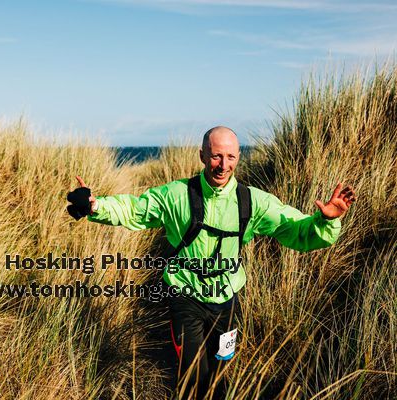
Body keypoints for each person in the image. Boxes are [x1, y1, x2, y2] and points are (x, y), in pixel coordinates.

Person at [66, 126, 356, 399]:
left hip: (227, 301)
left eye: (230, 156)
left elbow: (297, 231)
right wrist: (96, 206)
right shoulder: (176, 195)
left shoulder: (252, 201)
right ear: (202, 155)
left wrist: (327, 220)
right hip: (185, 296)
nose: (223, 164)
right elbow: (135, 209)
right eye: (216, 155)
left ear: (239, 158)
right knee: (194, 376)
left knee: (221, 373)